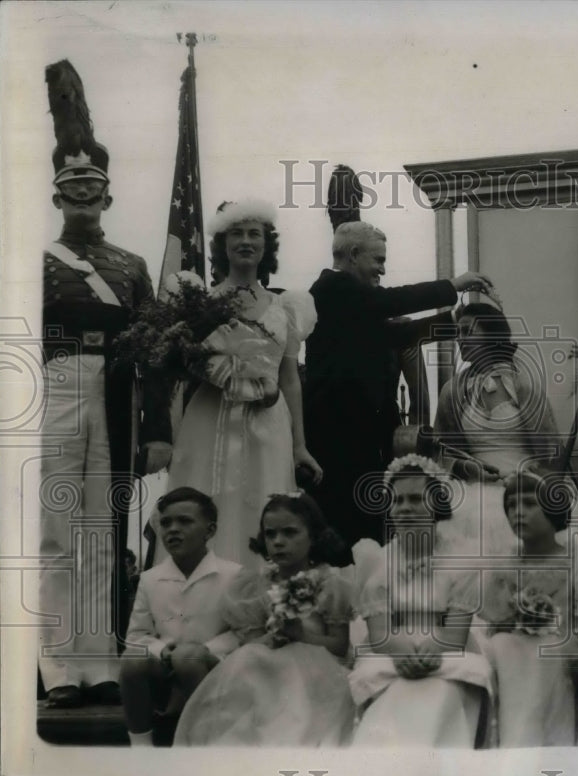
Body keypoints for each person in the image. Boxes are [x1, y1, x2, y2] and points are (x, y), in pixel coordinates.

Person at [39, 59, 173, 709]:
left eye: (93, 184)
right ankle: (59, 668)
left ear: (109, 195)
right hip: (58, 379)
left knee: (104, 528)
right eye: (72, 185)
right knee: (58, 527)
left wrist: (161, 432)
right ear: (57, 195)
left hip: (116, 394)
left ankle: (100, 663)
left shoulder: (131, 265)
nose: (83, 194)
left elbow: (157, 350)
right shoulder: (39, 262)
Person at [304, 221, 494, 562]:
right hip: (337, 435)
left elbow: (395, 336)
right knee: (345, 521)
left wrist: (457, 321)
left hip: (362, 435)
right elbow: (393, 301)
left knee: (367, 522)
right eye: (377, 259)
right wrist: (452, 285)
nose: (383, 268)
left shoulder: (353, 303)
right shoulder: (332, 288)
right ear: (352, 255)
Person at [151, 200, 322, 568]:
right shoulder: (199, 302)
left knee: (263, 501)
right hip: (208, 420)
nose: (246, 241)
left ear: (266, 245)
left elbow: (289, 377)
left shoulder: (287, 306)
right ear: (222, 244)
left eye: (254, 234)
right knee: (204, 501)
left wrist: (300, 445)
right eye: (237, 234)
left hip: (268, 424)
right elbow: (178, 379)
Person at [173, 492, 355, 746]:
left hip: (318, 670)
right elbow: (251, 640)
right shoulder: (255, 585)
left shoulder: (329, 583)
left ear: (313, 536)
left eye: (290, 533)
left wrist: (300, 635)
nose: (278, 542)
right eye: (271, 534)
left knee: (294, 715)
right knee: (248, 661)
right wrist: (273, 636)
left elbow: (340, 647)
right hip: (267, 666)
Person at [349, 455, 492, 747]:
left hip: (445, 648)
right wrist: (402, 652)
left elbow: (455, 634)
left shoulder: (461, 560)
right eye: (398, 500)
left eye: (415, 499)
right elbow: (378, 635)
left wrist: (432, 648)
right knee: (394, 698)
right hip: (391, 650)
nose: (405, 508)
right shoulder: (378, 561)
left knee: (438, 695)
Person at [434, 301, 565, 555]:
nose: (460, 339)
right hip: (473, 491)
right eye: (458, 332)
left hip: (526, 486)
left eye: (468, 331)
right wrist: (465, 467)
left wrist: (525, 479)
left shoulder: (522, 385)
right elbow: (441, 450)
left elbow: (552, 452)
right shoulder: (452, 391)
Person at [480, 469, 578, 747]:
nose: (517, 513)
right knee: (505, 646)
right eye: (511, 505)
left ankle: (542, 746)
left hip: (562, 646)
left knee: (544, 650)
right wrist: (517, 618)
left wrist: (544, 622)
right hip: (510, 647)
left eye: (529, 504)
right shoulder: (504, 566)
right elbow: (493, 619)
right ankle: (513, 745)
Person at [119, 487, 242, 747]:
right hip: (166, 673)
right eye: (165, 523)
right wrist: (162, 650)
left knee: (188, 657)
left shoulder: (233, 575)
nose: (173, 529)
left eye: (185, 521)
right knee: (132, 659)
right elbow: (137, 636)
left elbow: (242, 632)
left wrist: (204, 649)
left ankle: (203, 745)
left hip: (214, 670)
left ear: (209, 531)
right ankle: (141, 747)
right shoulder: (150, 578)